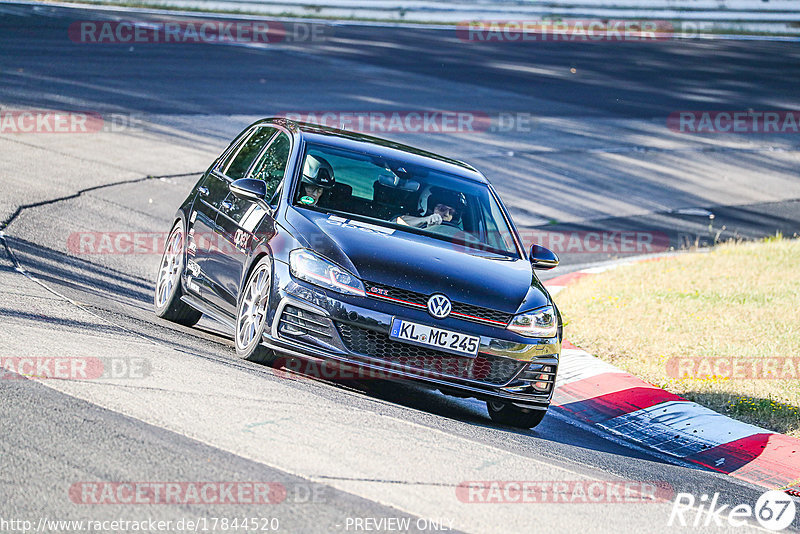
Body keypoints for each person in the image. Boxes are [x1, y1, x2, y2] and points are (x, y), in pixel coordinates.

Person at [397, 188, 466, 229]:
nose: (446, 214)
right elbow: (396, 221)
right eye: (442, 209)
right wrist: (426, 220)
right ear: (429, 208)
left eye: (451, 212)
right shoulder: (417, 221)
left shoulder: (456, 234)